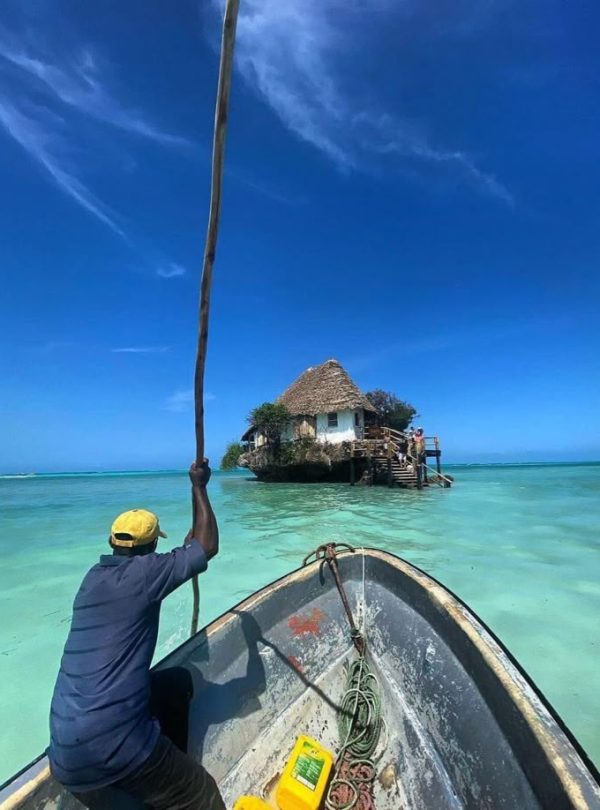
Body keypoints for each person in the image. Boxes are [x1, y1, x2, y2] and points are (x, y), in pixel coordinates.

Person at [48, 461, 226, 810]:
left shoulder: (92, 579)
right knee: (203, 793)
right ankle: (170, 785)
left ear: (112, 542)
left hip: (65, 752)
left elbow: (181, 557)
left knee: (176, 682)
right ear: (152, 546)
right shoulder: (146, 574)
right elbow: (207, 546)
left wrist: (184, 554)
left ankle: (167, 766)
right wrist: (199, 486)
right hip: (114, 746)